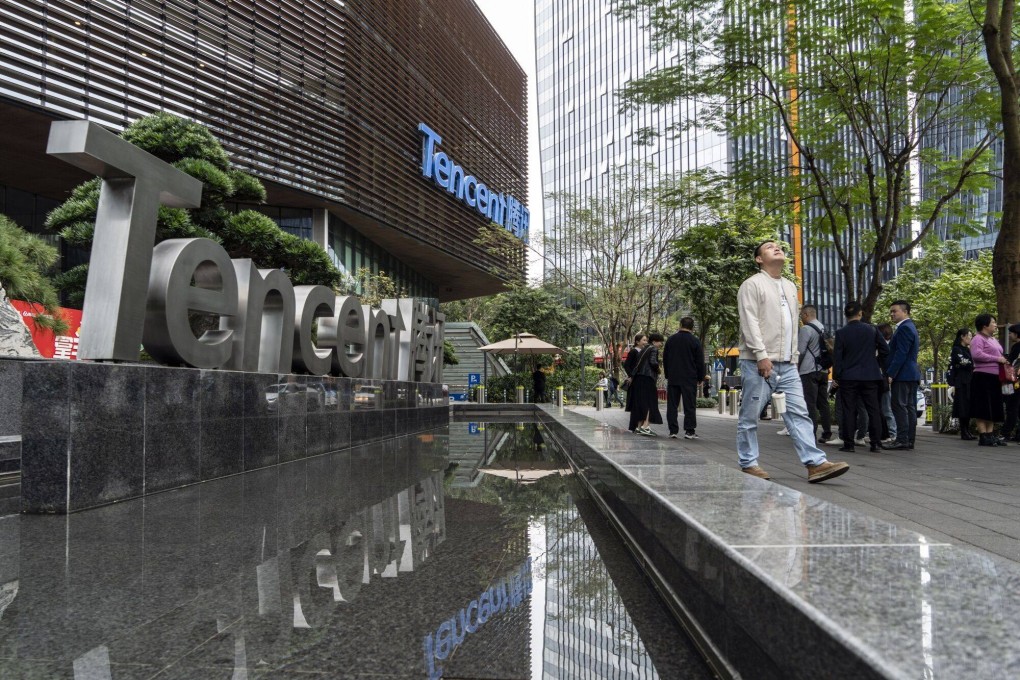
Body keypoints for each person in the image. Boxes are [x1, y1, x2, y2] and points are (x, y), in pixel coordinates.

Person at [735, 240, 849, 483]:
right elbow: (749, 322)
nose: (776, 248)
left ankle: (815, 464)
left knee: (800, 414)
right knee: (750, 415)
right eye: (769, 247)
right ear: (758, 259)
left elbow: (792, 328)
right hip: (758, 362)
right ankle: (749, 462)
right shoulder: (752, 284)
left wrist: (794, 359)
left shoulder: (789, 286)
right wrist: (761, 355)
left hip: (787, 365)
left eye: (778, 246)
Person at [832, 301, 888, 452]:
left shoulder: (841, 333)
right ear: (860, 313)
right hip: (871, 375)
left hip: (848, 377)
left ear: (845, 315)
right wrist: (877, 364)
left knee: (849, 410)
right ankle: (875, 443)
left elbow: (837, 358)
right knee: (873, 409)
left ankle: (849, 444)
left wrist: (837, 377)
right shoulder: (872, 330)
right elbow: (885, 349)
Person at [882, 300, 920, 450]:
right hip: (911, 374)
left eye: (894, 311)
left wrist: (891, 373)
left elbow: (901, 353)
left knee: (899, 406)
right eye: (890, 311)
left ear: (905, 312)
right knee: (909, 407)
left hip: (903, 374)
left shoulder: (904, 328)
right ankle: (908, 439)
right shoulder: (910, 327)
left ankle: (902, 439)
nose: (891, 314)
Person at [969, 314, 1009, 447]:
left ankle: (990, 435)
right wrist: (997, 359)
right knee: (982, 406)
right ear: (984, 325)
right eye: (993, 322)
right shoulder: (977, 339)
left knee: (993, 406)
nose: (995, 325)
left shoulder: (992, 339)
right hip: (982, 376)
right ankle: (983, 436)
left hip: (995, 376)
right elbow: (977, 354)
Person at [796, 304, 834, 442]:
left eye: (801, 316)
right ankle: (827, 431)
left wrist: (796, 367)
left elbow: (800, 351)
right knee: (823, 402)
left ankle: (811, 432)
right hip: (823, 370)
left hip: (809, 370)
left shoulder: (806, 329)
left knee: (810, 403)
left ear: (806, 315)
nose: (801, 319)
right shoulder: (823, 327)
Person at [663, 317, 705, 440]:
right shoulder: (695, 341)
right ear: (692, 327)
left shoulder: (671, 340)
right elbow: (699, 362)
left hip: (674, 377)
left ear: (680, 324)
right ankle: (689, 431)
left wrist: (667, 374)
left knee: (672, 405)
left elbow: (665, 359)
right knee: (689, 405)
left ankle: (673, 430)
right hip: (689, 378)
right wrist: (700, 377)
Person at [627, 333, 664, 435]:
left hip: (639, 379)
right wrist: (658, 369)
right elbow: (653, 362)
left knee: (641, 403)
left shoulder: (644, 349)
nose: (661, 344)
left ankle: (639, 427)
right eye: (660, 342)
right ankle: (645, 426)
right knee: (650, 402)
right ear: (654, 342)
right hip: (647, 378)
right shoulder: (653, 349)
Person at [948, 328, 975, 441]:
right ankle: (964, 431)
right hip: (961, 381)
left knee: (968, 406)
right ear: (962, 337)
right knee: (963, 406)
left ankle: (967, 430)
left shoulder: (968, 350)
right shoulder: (956, 349)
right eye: (969, 336)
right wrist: (971, 363)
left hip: (969, 380)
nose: (971, 338)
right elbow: (965, 362)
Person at [876, 323, 897, 443]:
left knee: (886, 408)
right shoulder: (886, 346)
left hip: (884, 380)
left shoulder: (885, 348)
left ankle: (892, 433)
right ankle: (890, 433)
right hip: (884, 379)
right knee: (886, 408)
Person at [623, 334, 648, 424]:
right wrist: (631, 376)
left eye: (646, 340)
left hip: (642, 380)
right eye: (644, 340)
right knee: (635, 404)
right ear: (637, 342)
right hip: (635, 381)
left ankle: (640, 425)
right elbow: (626, 365)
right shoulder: (633, 352)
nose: (646, 342)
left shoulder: (644, 352)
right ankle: (634, 426)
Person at [1002, 324, 1020, 441]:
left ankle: (1006, 433)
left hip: (1016, 382)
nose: (1009, 335)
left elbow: (1010, 363)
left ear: (1017, 334)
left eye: (1011, 333)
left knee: (1012, 407)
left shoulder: (1017, 346)